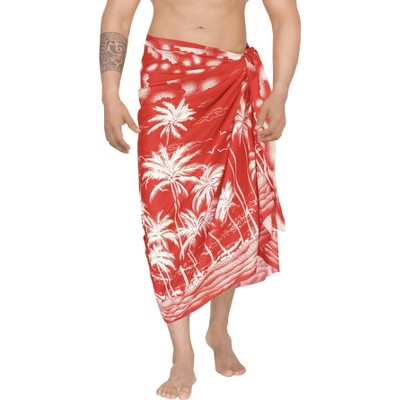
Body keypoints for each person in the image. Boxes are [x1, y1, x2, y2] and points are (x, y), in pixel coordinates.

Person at [99, 0, 300, 398]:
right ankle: (182, 353)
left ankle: (218, 329)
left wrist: (280, 92)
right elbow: (118, 13)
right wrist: (109, 93)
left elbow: (285, 16)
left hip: (231, 84)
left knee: (228, 208)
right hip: (167, 84)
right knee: (165, 219)